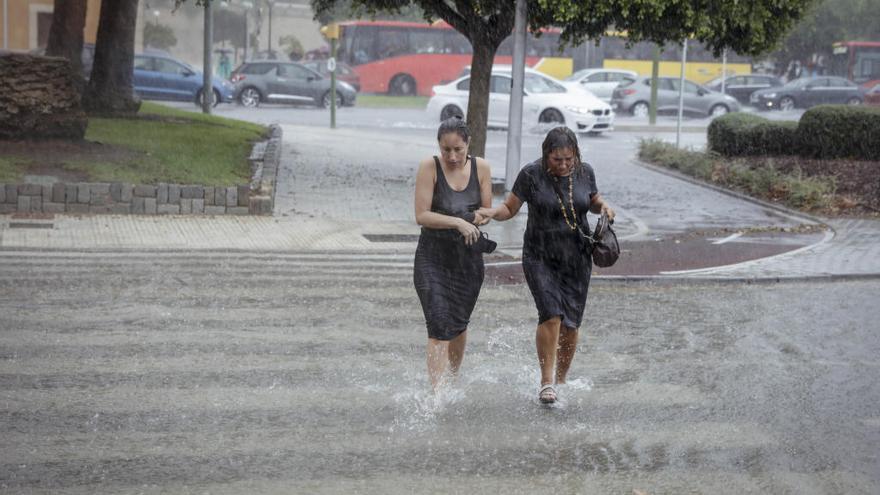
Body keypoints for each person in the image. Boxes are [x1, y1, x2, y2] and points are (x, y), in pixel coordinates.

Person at [478, 127, 615, 404]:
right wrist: (493, 212)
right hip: (539, 256)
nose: (564, 165)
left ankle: (562, 378)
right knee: (551, 314)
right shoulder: (531, 175)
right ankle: (546, 382)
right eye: (557, 159)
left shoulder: (585, 172)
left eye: (569, 159)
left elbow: (592, 199)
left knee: (571, 324)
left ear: (575, 154)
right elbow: (510, 208)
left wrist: (604, 206)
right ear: (546, 155)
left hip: (577, 257)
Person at [414, 118, 494, 392]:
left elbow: (487, 212)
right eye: (446, 149)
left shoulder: (481, 168)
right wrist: (457, 222)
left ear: (468, 144)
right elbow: (421, 215)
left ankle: (452, 379)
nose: (452, 156)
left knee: (458, 325)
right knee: (438, 324)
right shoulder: (429, 167)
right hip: (432, 258)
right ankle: (437, 394)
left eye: (458, 149)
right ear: (439, 146)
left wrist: (473, 219)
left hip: (467, 261)